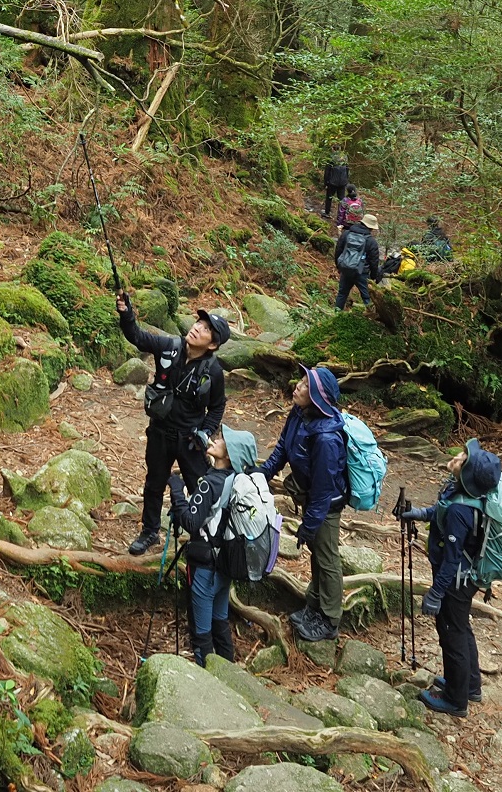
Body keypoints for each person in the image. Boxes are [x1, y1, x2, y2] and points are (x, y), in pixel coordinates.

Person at [117, 292, 230, 556]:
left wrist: (204, 432)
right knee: (154, 482)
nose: (197, 328)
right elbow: (138, 336)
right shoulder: (170, 346)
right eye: (199, 323)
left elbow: (217, 407)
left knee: (199, 485)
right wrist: (126, 313)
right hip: (160, 433)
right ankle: (150, 532)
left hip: (190, 440)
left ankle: (202, 535)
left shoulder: (213, 372)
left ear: (212, 345)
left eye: (206, 329)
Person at [400, 438, 502, 716]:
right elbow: (442, 510)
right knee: (461, 628)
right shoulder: (464, 495)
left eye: (462, 458)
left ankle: (457, 700)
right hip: (465, 579)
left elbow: (452, 558)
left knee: (451, 634)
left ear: (467, 473)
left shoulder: (461, 509)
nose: (456, 456)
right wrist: (420, 514)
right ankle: (470, 685)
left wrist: (436, 592)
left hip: (456, 581)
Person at [257, 366, 348, 640]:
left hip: (326, 503)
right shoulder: (299, 413)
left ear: (319, 397)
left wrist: (309, 525)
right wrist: (263, 474)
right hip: (312, 496)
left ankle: (330, 620)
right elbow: (284, 447)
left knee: (326, 557)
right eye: (301, 380)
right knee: (317, 554)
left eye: (306, 385)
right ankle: (314, 605)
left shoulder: (326, 438)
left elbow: (323, 491)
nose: (297, 385)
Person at [166, 425, 259, 665]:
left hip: (204, 570)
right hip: (224, 566)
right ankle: (229, 674)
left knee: (201, 631)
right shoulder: (234, 479)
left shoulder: (208, 484)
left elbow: (191, 521)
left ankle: (207, 682)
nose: (216, 439)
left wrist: (176, 492)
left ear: (228, 456)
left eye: (222, 441)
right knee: (220, 623)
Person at [334, 213, 382, 309]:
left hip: (346, 268)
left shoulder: (346, 234)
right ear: (371, 228)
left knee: (342, 293)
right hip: (361, 272)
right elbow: (374, 261)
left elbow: (338, 250)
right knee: (366, 297)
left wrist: (339, 266)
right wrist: (373, 276)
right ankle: (369, 317)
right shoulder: (371, 241)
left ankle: (336, 313)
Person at [321, 153, 351, 219]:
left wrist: (325, 183)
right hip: (343, 182)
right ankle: (341, 216)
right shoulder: (344, 157)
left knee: (329, 197)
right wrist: (346, 180)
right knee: (341, 199)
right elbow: (347, 169)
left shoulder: (331, 157)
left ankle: (327, 212)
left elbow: (327, 172)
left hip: (332, 182)